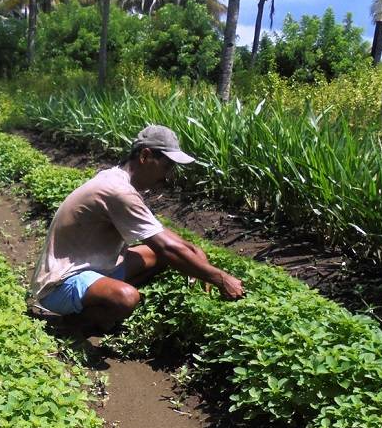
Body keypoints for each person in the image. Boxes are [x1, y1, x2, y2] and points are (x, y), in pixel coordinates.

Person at [29, 124, 245, 332]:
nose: (168, 176)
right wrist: (221, 278)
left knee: (163, 256)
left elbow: (159, 234)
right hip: (61, 283)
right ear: (145, 156)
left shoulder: (117, 180)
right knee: (127, 297)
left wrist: (193, 249)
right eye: (167, 166)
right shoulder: (117, 191)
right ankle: (71, 324)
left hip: (96, 267)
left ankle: (100, 302)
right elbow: (167, 247)